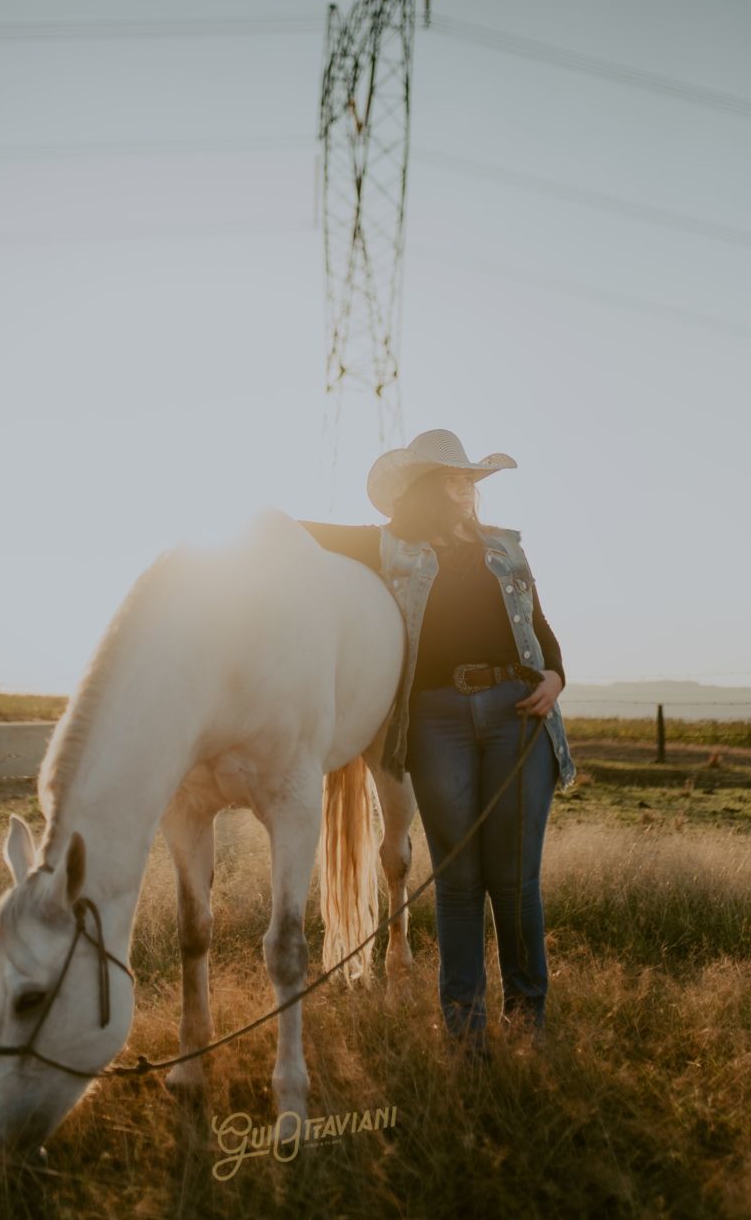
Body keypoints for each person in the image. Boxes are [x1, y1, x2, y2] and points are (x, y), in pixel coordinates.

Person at [300, 428, 576, 1057]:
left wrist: (556, 676)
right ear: (427, 488)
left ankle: (527, 1021)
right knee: (456, 878)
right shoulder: (390, 548)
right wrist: (260, 529)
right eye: (453, 480)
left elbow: (540, 629)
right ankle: (464, 1032)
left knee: (514, 879)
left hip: (519, 711)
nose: (466, 491)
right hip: (436, 718)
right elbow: (308, 531)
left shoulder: (506, 550)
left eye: (471, 480)